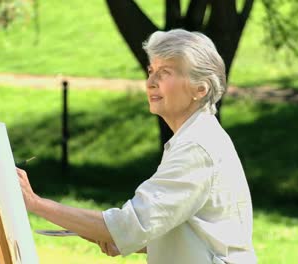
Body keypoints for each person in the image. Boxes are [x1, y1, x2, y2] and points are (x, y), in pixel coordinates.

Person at [17, 29, 257, 264]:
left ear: (200, 89)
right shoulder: (196, 137)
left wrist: (35, 202)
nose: (151, 82)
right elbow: (197, 229)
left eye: (165, 72)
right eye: (151, 71)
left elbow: (129, 226)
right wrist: (135, 242)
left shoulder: (196, 147)